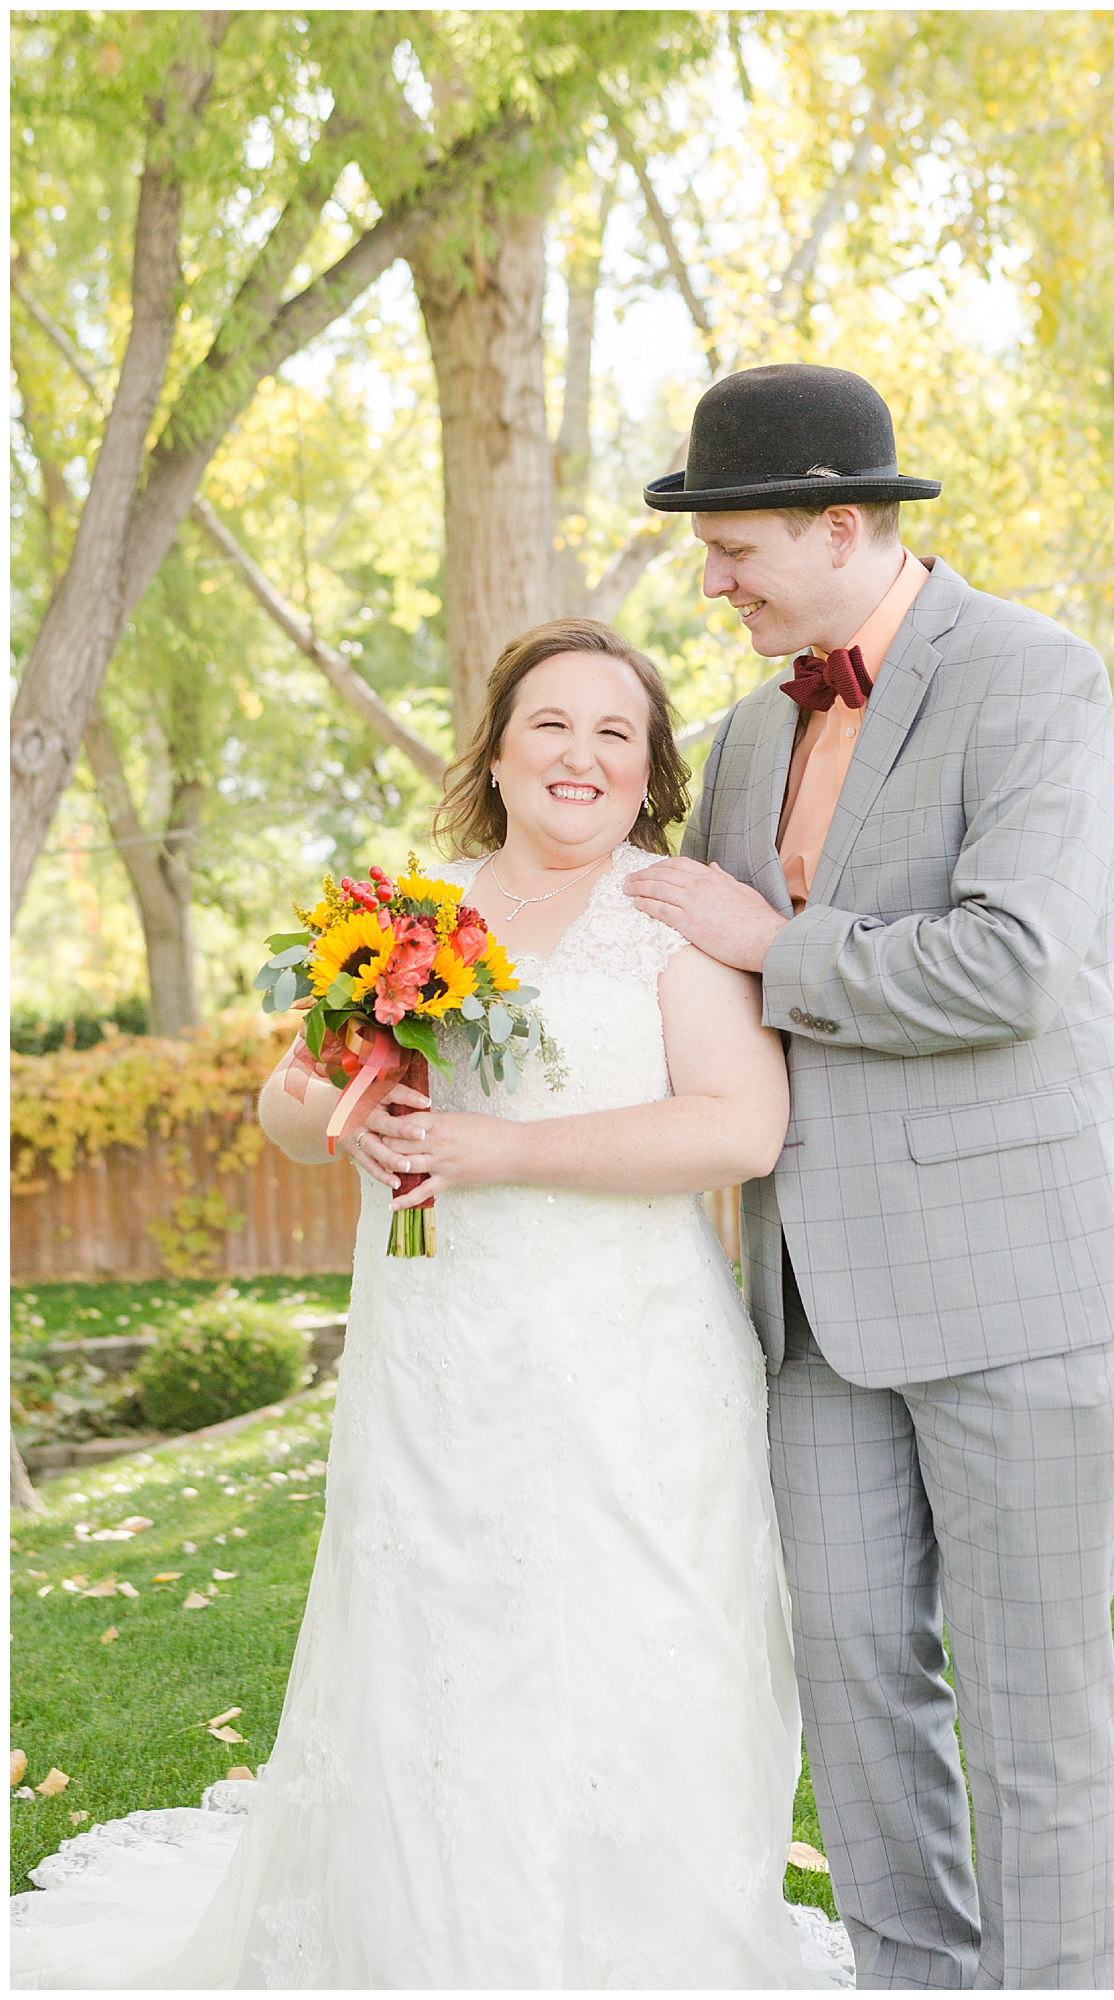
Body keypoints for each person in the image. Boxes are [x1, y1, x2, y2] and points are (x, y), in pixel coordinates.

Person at [11, 619, 852, 1991]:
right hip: (438, 1354)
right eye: (550, 725)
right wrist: (339, 1104)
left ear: (647, 772)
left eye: (613, 733)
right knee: (437, 1646)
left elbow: (740, 1130)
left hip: (625, 1359)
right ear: (499, 752)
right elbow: (288, 1112)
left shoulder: (673, 915)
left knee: (638, 1638)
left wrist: (495, 1148)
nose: (579, 755)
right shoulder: (408, 915)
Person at [626, 362, 1114, 1991]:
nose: (714, 579)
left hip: (1022, 1274)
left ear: (837, 520)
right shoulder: (747, 738)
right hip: (811, 1301)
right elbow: (699, 992)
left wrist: (776, 944)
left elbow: (1013, 966)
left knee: (1034, 1709)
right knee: (861, 1691)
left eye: (733, 546)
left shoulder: (1035, 679)